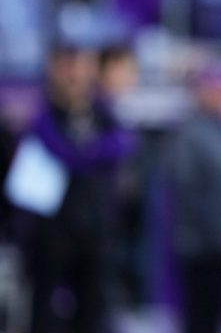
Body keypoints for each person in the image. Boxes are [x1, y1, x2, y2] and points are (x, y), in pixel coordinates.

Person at [17, 44, 137, 333]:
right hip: (51, 235)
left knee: (92, 311)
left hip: (95, 231)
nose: (74, 75)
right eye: (67, 67)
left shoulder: (102, 114)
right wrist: (88, 154)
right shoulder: (44, 116)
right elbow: (56, 149)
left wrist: (85, 153)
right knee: (44, 311)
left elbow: (124, 145)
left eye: (81, 67)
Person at [167, 57, 221, 333]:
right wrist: (216, 230)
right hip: (199, 244)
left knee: (217, 314)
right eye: (216, 88)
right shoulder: (189, 132)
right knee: (199, 315)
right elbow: (188, 190)